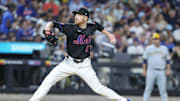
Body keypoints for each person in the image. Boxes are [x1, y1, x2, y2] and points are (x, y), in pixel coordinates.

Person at [29, 8, 131, 101]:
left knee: (99, 88)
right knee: (47, 81)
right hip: (67, 64)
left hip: (84, 66)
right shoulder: (70, 28)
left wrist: (110, 35)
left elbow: (99, 27)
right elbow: (52, 23)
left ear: (85, 18)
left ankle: (123, 100)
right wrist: (47, 29)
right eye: (75, 15)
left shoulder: (91, 27)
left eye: (79, 15)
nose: (76, 17)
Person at [143, 33, 171, 101]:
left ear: (159, 39)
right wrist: (144, 70)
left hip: (161, 71)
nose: (156, 40)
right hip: (151, 70)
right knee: (148, 88)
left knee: (163, 90)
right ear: (152, 40)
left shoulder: (164, 48)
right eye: (154, 39)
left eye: (157, 39)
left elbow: (167, 60)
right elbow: (144, 60)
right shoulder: (149, 48)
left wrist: (168, 69)